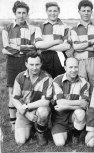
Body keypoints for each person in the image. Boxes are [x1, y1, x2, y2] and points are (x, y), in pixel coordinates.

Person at [1, 1, 38, 131]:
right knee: (12, 93)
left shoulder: (33, 29)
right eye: (19, 13)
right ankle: (13, 123)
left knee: (28, 91)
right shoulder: (7, 28)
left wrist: (15, 48)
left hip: (26, 62)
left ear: (27, 14)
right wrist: (24, 48)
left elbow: (34, 47)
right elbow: (5, 47)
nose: (21, 15)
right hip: (12, 63)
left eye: (24, 13)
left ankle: (28, 120)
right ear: (15, 13)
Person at [11, 51, 53, 146]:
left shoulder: (47, 78)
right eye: (31, 64)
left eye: (37, 64)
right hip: (24, 114)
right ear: (26, 64)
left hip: (38, 111)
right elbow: (14, 99)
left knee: (43, 111)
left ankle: (40, 133)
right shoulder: (20, 77)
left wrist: (26, 106)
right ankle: (33, 127)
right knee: (20, 141)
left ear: (41, 63)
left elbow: (46, 102)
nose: (34, 68)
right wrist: (27, 113)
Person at [51, 57, 90, 146]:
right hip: (59, 119)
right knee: (60, 143)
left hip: (73, 116)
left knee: (80, 113)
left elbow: (85, 105)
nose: (73, 70)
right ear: (65, 67)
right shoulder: (57, 80)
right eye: (70, 67)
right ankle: (62, 130)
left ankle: (75, 134)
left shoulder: (84, 82)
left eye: (76, 67)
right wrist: (79, 102)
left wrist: (66, 106)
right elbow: (60, 102)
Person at [70, 0, 94, 93]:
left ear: (91, 12)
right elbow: (76, 47)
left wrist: (85, 47)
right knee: (81, 88)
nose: (86, 13)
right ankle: (82, 107)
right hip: (79, 61)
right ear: (79, 12)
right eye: (83, 10)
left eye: (88, 11)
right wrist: (92, 41)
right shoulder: (74, 29)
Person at [35, 2, 70, 78]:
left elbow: (66, 46)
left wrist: (45, 47)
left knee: (60, 81)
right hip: (44, 57)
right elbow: (38, 44)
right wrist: (57, 41)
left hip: (59, 56)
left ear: (59, 11)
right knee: (45, 81)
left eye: (55, 11)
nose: (52, 13)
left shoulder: (65, 26)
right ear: (46, 12)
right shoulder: (40, 26)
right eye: (50, 11)